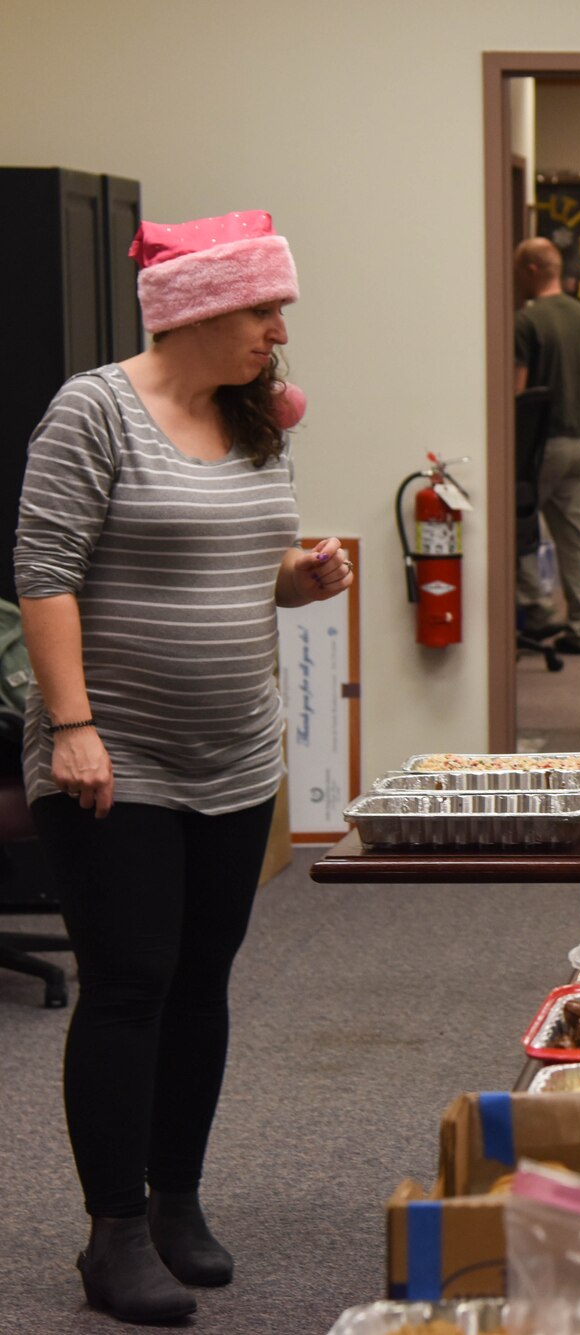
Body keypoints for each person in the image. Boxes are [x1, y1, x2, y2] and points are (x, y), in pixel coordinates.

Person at [16, 210, 353, 1324]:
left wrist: (303, 578)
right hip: (118, 755)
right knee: (129, 982)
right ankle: (111, 1235)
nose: (276, 332)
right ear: (199, 308)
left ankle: (176, 1202)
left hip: (234, 750)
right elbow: (47, 573)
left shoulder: (258, 420)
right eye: (264, 310)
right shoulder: (94, 409)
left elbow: (248, 569)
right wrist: (71, 726)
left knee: (201, 978)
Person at [515, 235, 580, 655]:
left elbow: (518, 392)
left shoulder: (526, 320)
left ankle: (536, 609)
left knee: (519, 526)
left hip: (544, 443)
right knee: (577, 538)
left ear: (532, 270)